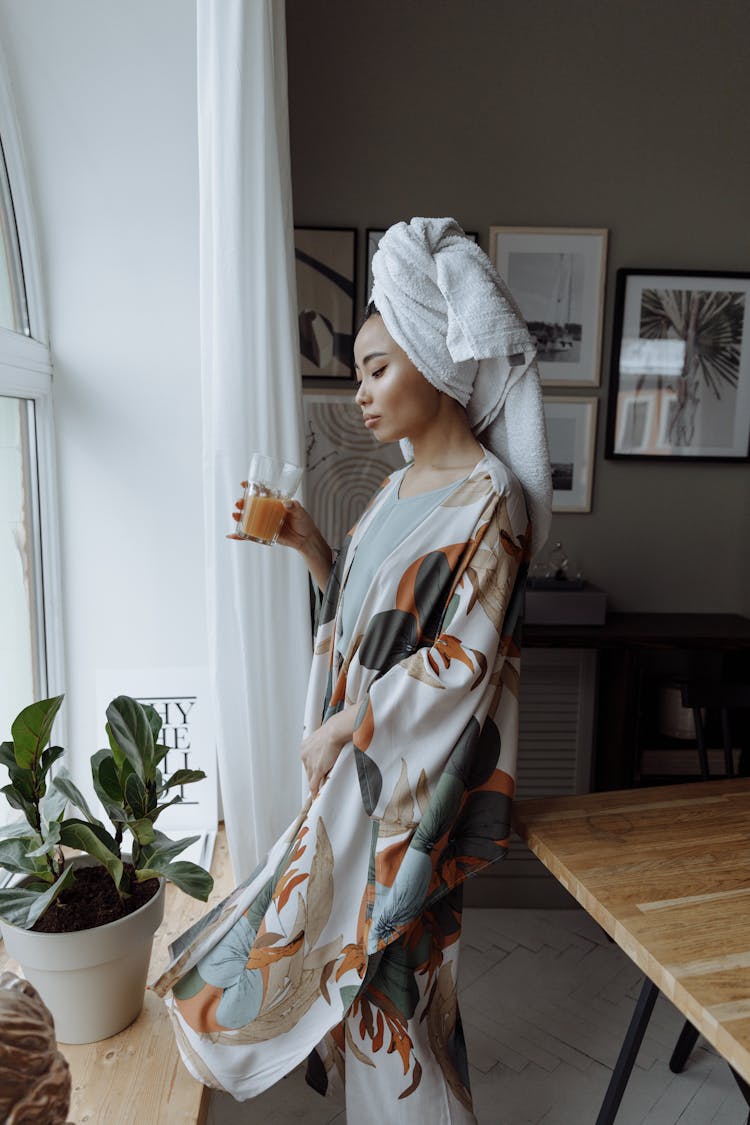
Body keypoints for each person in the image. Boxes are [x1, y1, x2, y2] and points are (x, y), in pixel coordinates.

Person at [152, 218, 552, 1123]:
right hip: (351, 778)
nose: (359, 392)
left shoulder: (492, 500)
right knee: (355, 987)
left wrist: (341, 727)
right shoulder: (399, 485)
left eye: (376, 367)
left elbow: (462, 664)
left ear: (433, 360)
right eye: (357, 370)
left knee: (396, 985)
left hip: (407, 796)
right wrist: (310, 546)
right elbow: (370, 625)